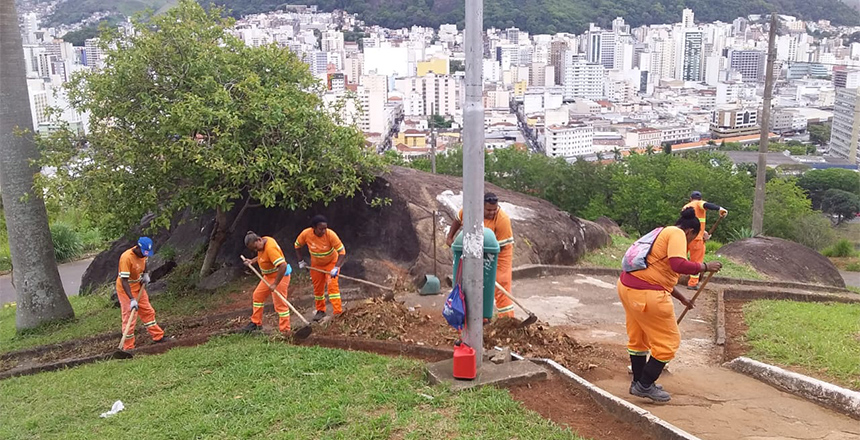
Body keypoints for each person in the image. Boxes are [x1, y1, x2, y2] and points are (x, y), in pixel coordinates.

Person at [617, 208, 722, 402]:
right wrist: (705, 267)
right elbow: (677, 264)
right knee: (668, 343)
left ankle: (638, 382)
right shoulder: (677, 234)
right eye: (692, 240)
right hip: (647, 295)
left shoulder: (661, 232)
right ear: (690, 232)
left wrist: (682, 298)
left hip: (627, 287)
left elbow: (657, 275)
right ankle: (645, 384)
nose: (690, 245)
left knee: (638, 339)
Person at [445, 192, 515, 319]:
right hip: (475, 252)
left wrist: (479, 257)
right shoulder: (470, 211)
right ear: (480, 206)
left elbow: (500, 247)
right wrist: (450, 237)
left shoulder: (502, 220)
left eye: (495, 209)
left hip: (499, 254)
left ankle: (507, 320)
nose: (492, 212)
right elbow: (458, 219)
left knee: (500, 286)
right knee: (474, 284)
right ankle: (478, 318)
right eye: (488, 209)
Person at [116, 237, 169, 350]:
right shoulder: (126, 258)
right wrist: (131, 299)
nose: (145, 255)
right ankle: (128, 347)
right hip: (126, 290)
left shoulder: (143, 255)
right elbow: (123, 281)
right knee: (130, 317)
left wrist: (145, 274)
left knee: (148, 311)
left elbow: (144, 263)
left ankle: (158, 336)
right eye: (143, 252)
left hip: (138, 286)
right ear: (138, 247)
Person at [295, 216, 346, 321]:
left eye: (325, 228)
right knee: (318, 289)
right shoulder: (306, 234)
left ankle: (337, 312)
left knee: (332, 287)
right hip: (316, 265)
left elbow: (342, 252)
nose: (323, 231)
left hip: (331, 264)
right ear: (313, 227)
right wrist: (301, 261)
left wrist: (336, 267)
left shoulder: (330, 235)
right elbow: (297, 245)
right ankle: (320, 311)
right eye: (321, 229)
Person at [241, 232, 293, 333]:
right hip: (268, 277)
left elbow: (283, 266)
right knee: (257, 296)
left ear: (259, 240)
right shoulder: (263, 242)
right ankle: (256, 323)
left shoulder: (270, 248)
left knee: (280, 304)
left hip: (279, 276)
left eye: (256, 247)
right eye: (254, 249)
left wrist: (275, 284)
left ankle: (285, 330)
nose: (256, 250)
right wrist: (252, 261)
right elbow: (262, 256)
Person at [682, 191, 728, 290]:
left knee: (680, 258)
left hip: (684, 238)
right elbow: (706, 205)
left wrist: (704, 232)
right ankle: (693, 283)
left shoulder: (686, 207)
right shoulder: (699, 204)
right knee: (697, 262)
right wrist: (720, 209)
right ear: (700, 199)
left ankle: (673, 278)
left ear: (690, 198)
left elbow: (692, 224)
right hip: (697, 240)